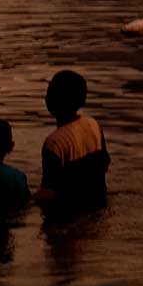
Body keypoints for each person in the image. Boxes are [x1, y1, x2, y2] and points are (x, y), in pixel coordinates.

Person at [37, 70, 110, 211]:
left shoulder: (54, 143)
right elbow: (105, 165)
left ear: (51, 100)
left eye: (49, 92)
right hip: (99, 204)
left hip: (68, 213)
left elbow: (48, 193)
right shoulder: (93, 125)